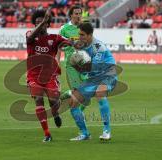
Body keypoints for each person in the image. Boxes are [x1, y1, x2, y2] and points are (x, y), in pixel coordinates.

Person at [26, 8, 70, 142]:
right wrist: (41, 22)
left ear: (48, 24)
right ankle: (47, 134)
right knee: (39, 100)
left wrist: (78, 43)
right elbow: (30, 37)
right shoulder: (30, 35)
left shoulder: (54, 38)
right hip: (33, 76)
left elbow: (68, 42)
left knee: (53, 103)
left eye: (43, 22)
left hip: (50, 75)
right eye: (37, 22)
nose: (40, 24)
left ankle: (56, 113)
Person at [69, 22, 117, 141]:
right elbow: (85, 70)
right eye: (79, 34)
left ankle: (107, 131)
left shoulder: (98, 46)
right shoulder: (81, 45)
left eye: (82, 35)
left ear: (90, 35)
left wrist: (77, 65)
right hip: (93, 78)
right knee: (73, 102)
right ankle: (85, 133)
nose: (80, 37)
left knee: (99, 93)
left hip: (108, 74)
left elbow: (93, 67)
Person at [59, 5, 91, 141]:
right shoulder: (64, 29)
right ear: (71, 15)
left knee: (88, 95)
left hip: (84, 64)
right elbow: (59, 46)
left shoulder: (86, 27)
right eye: (76, 13)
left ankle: (63, 95)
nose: (78, 15)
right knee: (78, 96)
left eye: (80, 13)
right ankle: (84, 133)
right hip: (71, 65)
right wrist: (56, 62)